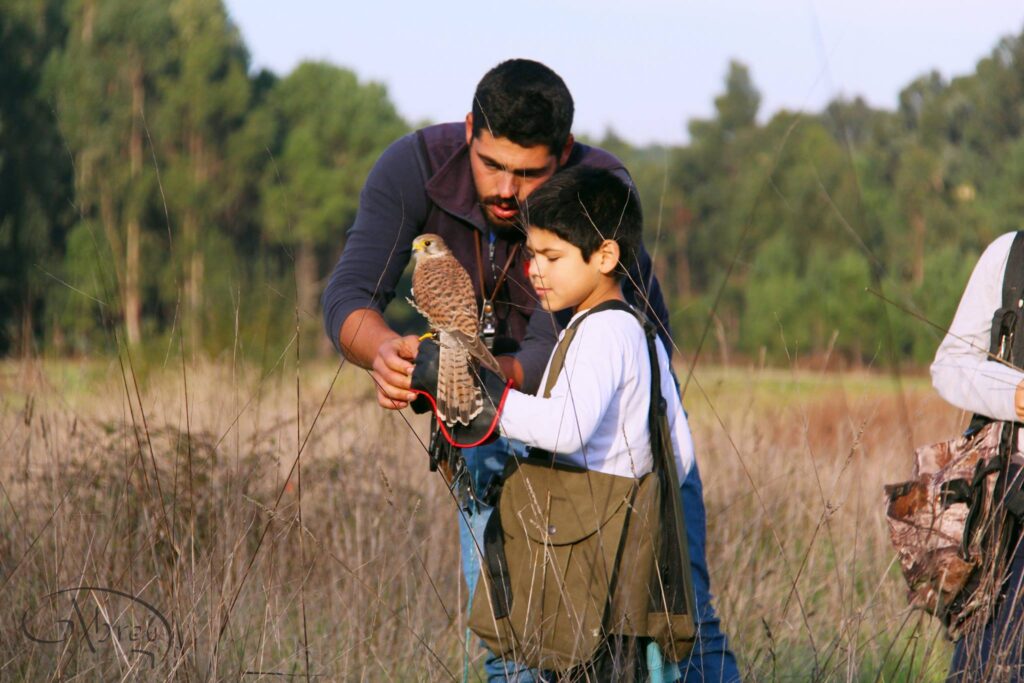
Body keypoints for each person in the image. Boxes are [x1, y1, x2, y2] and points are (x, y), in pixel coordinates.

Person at [321, 58, 738, 681]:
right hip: (492, 421)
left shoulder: (597, 191)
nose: (507, 190)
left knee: (674, 628)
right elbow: (349, 296)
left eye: (529, 173)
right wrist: (385, 352)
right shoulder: (410, 166)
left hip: (617, 448)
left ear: (563, 155)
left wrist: (470, 384)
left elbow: (553, 354)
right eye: (492, 166)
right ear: (468, 133)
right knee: (514, 631)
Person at [931, 231, 1024, 680]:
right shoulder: (1009, 256)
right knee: (984, 667)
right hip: (1006, 506)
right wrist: (1015, 394)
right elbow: (949, 364)